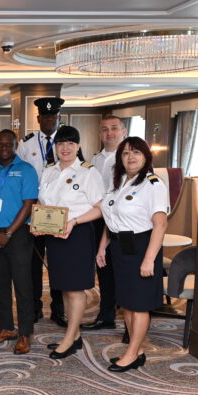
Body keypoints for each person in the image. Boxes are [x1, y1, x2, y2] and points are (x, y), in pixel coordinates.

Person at [97, 137, 169, 372]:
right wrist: (102, 247)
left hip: (142, 247)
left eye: (136, 152)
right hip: (120, 247)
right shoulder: (119, 183)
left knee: (139, 305)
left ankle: (131, 353)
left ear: (146, 156)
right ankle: (136, 351)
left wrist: (149, 259)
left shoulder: (153, 184)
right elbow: (111, 219)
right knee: (127, 303)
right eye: (126, 153)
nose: (130, 157)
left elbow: (160, 225)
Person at [34, 126, 104, 359]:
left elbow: (100, 207)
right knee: (63, 286)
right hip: (54, 236)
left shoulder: (88, 172)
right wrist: (38, 224)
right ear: (55, 146)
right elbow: (44, 204)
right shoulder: (49, 171)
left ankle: (70, 336)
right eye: (61, 144)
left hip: (78, 234)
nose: (65, 148)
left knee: (76, 289)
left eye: (70, 144)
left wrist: (74, 222)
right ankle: (74, 336)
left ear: (78, 146)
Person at [0, 129, 39, 355]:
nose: (4, 148)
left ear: (15, 145)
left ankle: (25, 332)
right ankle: (7, 327)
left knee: (23, 286)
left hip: (18, 236)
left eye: (8, 144)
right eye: (0, 144)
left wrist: (9, 232)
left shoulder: (26, 170)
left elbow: (29, 204)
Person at [16, 97, 66, 327]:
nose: (49, 121)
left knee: (57, 262)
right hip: (33, 213)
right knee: (33, 264)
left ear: (58, 118)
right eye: (45, 117)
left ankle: (58, 309)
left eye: (53, 117)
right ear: (38, 119)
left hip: (58, 212)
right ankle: (34, 308)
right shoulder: (26, 144)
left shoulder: (67, 143)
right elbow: (19, 176)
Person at [81, 115, 128, 331]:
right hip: (99, 222)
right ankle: (106, 315)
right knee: (105, 270)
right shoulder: (95, 160)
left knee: (125, 271)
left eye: (114, 128)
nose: (109, 133)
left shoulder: (130, 158)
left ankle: (130, 321)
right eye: (105, 129)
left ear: (123, 131)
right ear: (100, 134)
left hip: (123, 224)